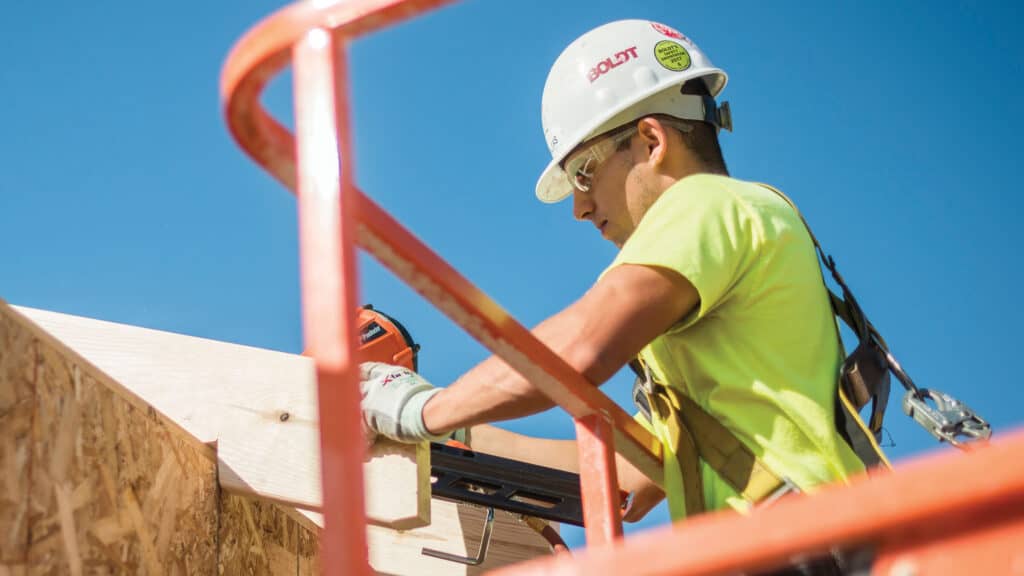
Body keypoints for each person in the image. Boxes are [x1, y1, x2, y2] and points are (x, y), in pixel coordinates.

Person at [358, 18, 878, 535]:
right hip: (812, 542)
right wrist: (458, 432)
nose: (579, 208)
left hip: (806, 545)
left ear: (651, 140)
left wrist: (417, 408)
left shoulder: (708, 203)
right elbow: (629, 479)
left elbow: (580, 346)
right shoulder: (728, 259)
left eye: (583, 171)